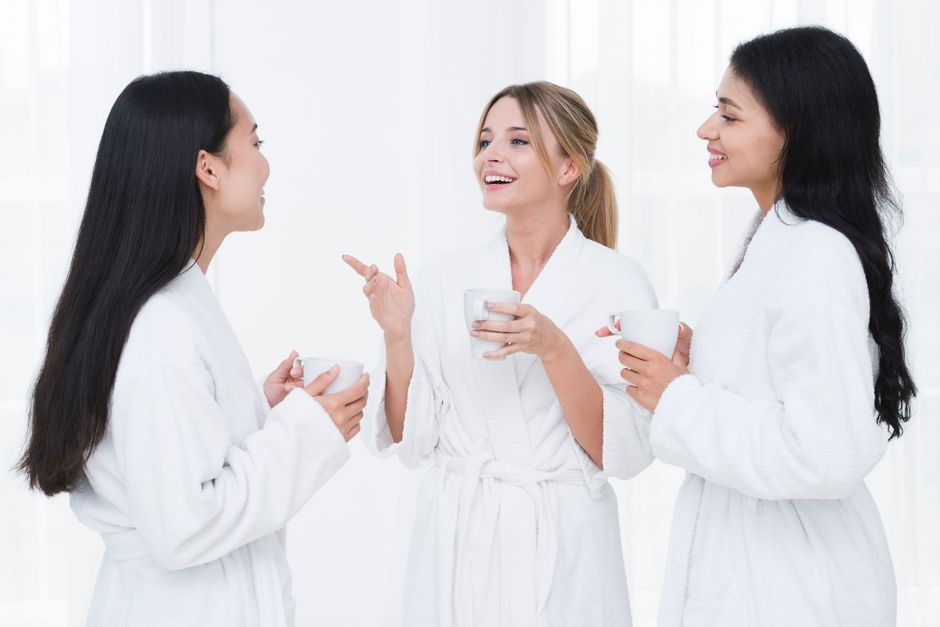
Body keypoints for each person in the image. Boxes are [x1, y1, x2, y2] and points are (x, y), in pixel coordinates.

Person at [17, 71, 369, 627]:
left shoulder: (165, 304)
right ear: (208, 167)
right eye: (254, 142)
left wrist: (255, 413)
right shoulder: (161, 323)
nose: (265, 163)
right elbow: (185, 524)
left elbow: (162, 463)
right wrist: (304, 429)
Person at [603, 27, 916, 626]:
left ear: (795, 130)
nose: (706, 130)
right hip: (765, 570)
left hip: (791, 586)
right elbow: (777, 385)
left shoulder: (815, 253)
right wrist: (699, 362)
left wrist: (678, 397)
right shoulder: (780, 240)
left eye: (729, 114)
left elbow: (826, 451)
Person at [344, 81, 657, 626]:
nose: (490, 154)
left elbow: (622, 451)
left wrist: (553, 347)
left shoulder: (617, 283)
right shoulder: (443, 278)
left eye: (517, 141)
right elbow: (411, 440)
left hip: (564, 549)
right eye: (485, 140)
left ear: (568, 169)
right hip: (458, 543)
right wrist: (397, 335)